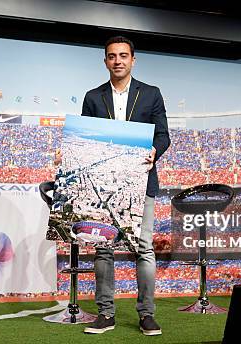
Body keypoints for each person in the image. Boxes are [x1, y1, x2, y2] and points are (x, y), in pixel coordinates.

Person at [56, 36, 170, 336]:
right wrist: (69, 151)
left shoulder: (151, 94)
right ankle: (106, 314)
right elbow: (85, 138)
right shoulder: (93, 97)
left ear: (133, 59)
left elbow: (163, 135)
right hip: (103, 185)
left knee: (143, 249)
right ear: (105, 61)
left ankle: (147, 314)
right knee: (104, 248)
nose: (117, 61)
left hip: (141, 182)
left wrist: (155, 151)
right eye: (111, 56)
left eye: (123, 55)